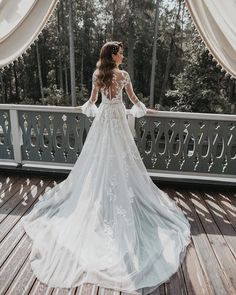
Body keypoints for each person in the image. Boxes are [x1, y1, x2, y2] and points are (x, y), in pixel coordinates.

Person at [19, 41, 191, 295]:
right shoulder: (123, 76)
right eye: (120, 52)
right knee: (122, 160)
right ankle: (116, 200)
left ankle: (101, 201)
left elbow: (91, 103)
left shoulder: (98, 75)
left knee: (99, 162)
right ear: (113, 54)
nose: (123, 56)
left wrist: (82, 108)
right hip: (118, 121)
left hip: (103, 121)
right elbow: (133, 100)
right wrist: (144, 109)